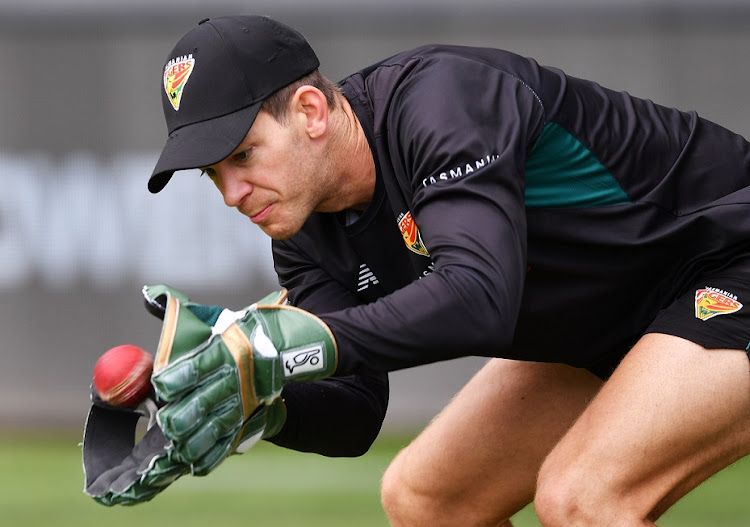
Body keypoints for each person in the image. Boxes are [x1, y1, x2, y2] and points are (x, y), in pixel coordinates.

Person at [88, 14, 750, 526]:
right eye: (214, 175)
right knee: (426, 497)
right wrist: (258, 400)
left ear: (312, 113)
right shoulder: (303, 233)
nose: (233, 192)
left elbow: (480, 294)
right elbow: (355, 410)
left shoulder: (440, 102)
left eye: (243, 154)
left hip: (728, 257)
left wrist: (275, 345)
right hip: (615, 317)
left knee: (582, 495)